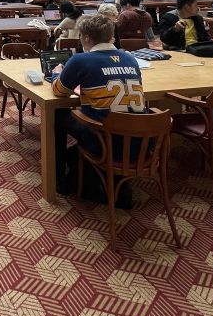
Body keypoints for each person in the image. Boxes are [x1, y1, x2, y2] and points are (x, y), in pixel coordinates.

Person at [51, 14, 145, 202]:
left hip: (104, 139)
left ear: (86, 38)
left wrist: (56, 74)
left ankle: (60, 178)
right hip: (140, 139)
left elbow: (59, 91)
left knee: (59, 114)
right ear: (111, 36)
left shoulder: (80, 60)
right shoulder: (130, 58)